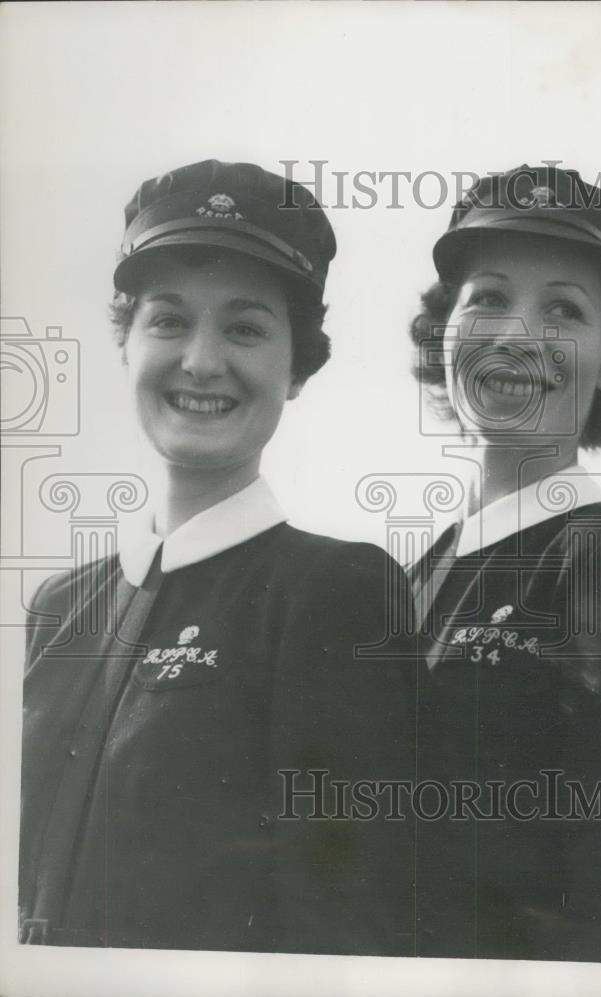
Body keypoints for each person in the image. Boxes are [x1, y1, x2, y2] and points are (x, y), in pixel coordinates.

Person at [19, 159, 417, 955]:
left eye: (244, 328)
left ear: (296, 366)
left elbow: (343, 922)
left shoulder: (335, 591)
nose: (201, 361)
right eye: (168, 320)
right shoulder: (58, 609)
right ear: (125, 343)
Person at [407, 164, 601, 964]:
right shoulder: (412, 578)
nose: (517, 336)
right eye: (489, 298)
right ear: (446, 335)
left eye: (563, 310)